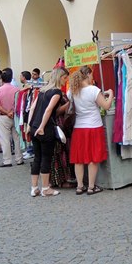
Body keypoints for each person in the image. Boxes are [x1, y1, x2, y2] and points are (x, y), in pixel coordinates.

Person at [68, 66, 114, 195]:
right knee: (93, 158)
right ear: (87, 74)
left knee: (79, 159)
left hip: (79, 128)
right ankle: (91, 187)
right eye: (92, 74)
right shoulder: (93, 90)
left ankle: (79, 186)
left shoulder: (72, 90)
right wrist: (110, 94)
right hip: (93, 126)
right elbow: (106, 105)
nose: (92, 77)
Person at [28, 67, 70, 196]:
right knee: (46, 158)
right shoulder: (56, 92)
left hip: (34, 127)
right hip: (45, 129)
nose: (65, 80)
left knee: (37, 158)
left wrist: (30, 125)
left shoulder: (42, 90)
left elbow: (32, 108)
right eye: (64, 78)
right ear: (60, 77)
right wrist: (42, 126)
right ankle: (46, 188)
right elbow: (49, 109)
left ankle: (34, 188)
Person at [0, 68, 23, 167]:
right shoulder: (17, 90)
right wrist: (11, 112)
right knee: (17, 138)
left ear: (1, 79)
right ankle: (19, 159)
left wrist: (7, 112)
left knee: (5, 139)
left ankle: (7, 161)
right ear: (11, 78)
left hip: (3, 117)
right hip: (15, 116)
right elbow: (20, 104)